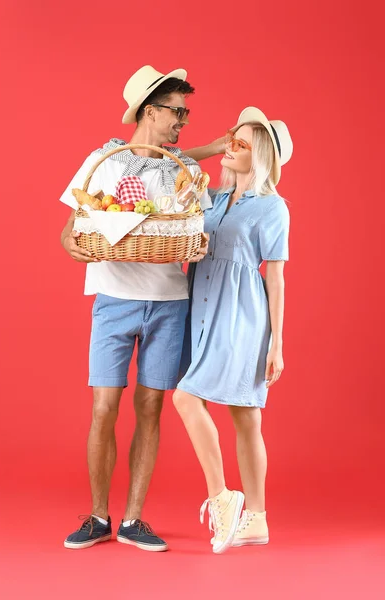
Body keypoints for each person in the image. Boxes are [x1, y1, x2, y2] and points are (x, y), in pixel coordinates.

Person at [60, 65, 210, 552]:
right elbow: (69, 229)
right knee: (104, 408)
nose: (182, 122)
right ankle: (98, 516)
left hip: (169, 301)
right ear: (151, 111)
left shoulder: (181, 171)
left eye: (185, 113)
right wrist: (75, 247)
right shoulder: (104, 163)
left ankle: (133, 520)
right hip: (113, 299)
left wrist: (197, 243)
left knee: (151, 409)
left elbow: (190, 226)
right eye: (177, 112)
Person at [173, 107, 293, 554]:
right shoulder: (214, 198)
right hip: (201, 307)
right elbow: (176, 159)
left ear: (260, 155)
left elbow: (276, 276)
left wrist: (277, 343)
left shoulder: (273, 207)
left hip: (242, 315)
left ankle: (225, 499)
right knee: (245, 417)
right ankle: (256, 521)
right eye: (230, 138)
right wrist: (216, 147)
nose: (230, 147)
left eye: (241, 143)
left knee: (198, 400)